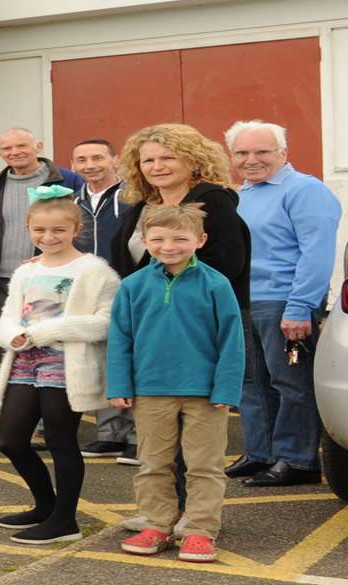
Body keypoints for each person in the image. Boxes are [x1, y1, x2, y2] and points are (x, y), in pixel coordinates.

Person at [105, 123, 252, 481]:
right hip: (150, 326)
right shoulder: (142, 207)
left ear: (193, 160)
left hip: (198, 327)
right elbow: (125, 265)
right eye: (148, 160)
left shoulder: (214, 204)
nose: (157, 166)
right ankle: (162, 515)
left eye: (168, 157)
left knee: (196, 442)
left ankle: (193, 518)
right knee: (158, 442)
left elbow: (228, 265)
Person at [107, 204, 246, 562]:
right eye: (159, 238)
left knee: (204, 466)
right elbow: (120, 339)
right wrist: (119, 384)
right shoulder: (133, 286)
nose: (169, 246)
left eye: (180, 238)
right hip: (150, 391)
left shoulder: (217, 284)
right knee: (153, 463)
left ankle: (200, 530)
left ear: (200, 240)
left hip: (205, 393)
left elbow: (232, 339)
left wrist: (227, 389)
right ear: (145, 240)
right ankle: (156, 523)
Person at [0, 188, 122, 545]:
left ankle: (65, 520)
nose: (48, 238)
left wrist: (48, 330)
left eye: (58, 231)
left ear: (76, 228)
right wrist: (13, 336)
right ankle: (45, 504)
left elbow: (106, 323)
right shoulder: (25, 270)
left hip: (66, 362)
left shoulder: (95, 271)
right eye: (39, 231)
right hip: (25, 361)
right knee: (9, 440)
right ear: (29, 229)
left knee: (62, 441)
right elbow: (8, 317)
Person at [229, 120, 342, 487]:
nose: (251, 160)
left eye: (262, 151)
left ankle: (297, 461)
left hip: (283, 304)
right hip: (245, 303)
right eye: (242, 153)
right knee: (251, 383)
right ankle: (261, 454)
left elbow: (317, 253)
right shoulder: (240, 195)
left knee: (290, 382)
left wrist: (299, 306)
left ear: (283, 153)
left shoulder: (306, 191)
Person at [0, 128, 84, 324]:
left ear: (38, 146)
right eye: (7, 148)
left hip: (53, 275)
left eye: (21, 145)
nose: (15, 152)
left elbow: (82, 223)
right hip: (3, 280)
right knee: (9, 341)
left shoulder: (67, 180)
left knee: (50, 340)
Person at [70, 138, 133, 457]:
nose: (90, 165)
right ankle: (110, 433)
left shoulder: (134, 197)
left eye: (97, 157)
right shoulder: (70, 201)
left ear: (115, 160)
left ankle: (137, 435)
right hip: (88, 291)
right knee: (99, 360)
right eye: (82, 160)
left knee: (130, 358)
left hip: (127, 286)